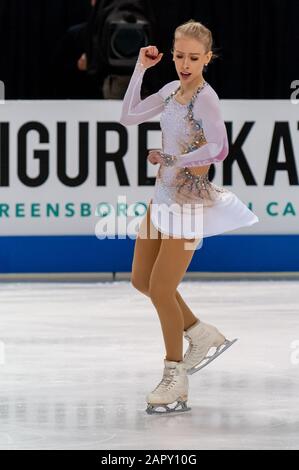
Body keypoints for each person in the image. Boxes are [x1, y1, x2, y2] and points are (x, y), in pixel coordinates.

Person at [119, 19, 259, 414]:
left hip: (188, 203)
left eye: (193, 58)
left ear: (207, 59)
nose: (184, 63)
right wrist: (140, 69)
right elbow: (129, 116)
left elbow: (220, 148)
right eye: (179, 55)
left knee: (162, 290)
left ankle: (175, 375)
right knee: (141, 281)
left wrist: (176, 158)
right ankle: (200, 332)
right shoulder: (169, 90)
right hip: (160, 197)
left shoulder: (205, 98)